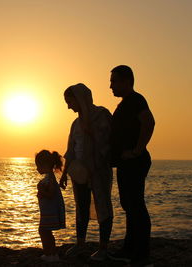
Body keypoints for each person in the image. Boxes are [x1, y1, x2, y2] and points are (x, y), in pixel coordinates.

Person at [59, 83, 113, 261]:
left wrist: (92, 135)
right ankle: (80, 244)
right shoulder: (75, 124)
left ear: (80, 98)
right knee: (81, 208)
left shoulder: (102, 115)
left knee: (103, 206)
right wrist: (65, 173)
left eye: (70, 101)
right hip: (79, 173)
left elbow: (110, 142)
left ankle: (103, 247)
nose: (68, 106)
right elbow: (71, 150)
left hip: (99, 171)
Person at [109, 65, 155, 267]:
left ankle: (141, 254)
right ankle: (129, 248)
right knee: (129, 205)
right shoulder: (124, 104)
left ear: (127, 81)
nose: (111, 86)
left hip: (134, 161)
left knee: (136, 206)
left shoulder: (136, 100)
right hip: (125, 162)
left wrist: (137, 150)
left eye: (114, 81)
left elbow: (149, 122)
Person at [35, 150, 66, 262]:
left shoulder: (50, 178)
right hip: (47, 211)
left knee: (43, 231)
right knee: (46, 231)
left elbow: (51, 194)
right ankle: (52, 254)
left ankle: (49, 254)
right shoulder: (49, 177)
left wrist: (41, 191)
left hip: (49, 212)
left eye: (38, 166)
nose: (37, 169)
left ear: (45, 165)